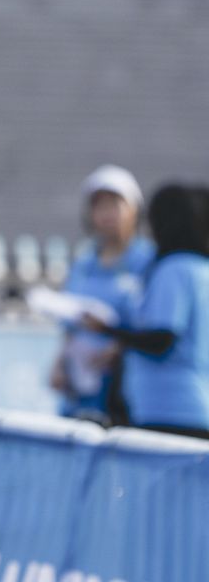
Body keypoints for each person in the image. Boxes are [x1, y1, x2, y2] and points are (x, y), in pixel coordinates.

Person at [83, 183, 209, 439]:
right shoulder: (200, 268)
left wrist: (108, 330)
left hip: (170, 412)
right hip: (197, 408)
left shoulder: (174, 269)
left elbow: (162, 339)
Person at [49, 165, 153, 423]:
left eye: (115, 205)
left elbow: (153, 326)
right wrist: (60, 364)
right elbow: (71, 323)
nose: (107, 214)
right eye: (100, 206)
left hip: (125, 389)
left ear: (134, 210)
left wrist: (119, 348)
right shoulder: (83, 264)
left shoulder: (148, 261)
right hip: (80, 385)